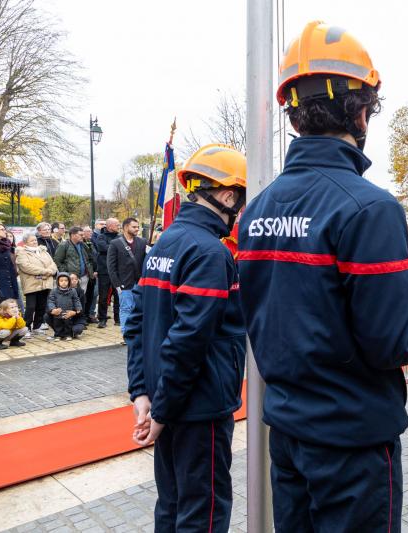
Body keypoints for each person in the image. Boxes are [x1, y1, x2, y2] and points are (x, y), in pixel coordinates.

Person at [238, 25, 408, 530]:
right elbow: (388, 341)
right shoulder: (369, 207)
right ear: (361, 112)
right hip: (351, 442)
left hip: (288, 433)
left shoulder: (256, 210)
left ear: (293, 113)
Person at [125, 143, 247, 532]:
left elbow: (137, 325)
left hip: (168, 399)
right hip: (199, 406)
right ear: (227, 195)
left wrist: (143, 393)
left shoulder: (166, 243)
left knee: (172, 505)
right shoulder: (210, 252)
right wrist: (161, 409)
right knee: (203, 514)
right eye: (240, 201)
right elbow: (189, 339)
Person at [107, 217, 147, 336]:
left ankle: (137, 331)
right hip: (124, 283)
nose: (137, 229)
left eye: (137, 227)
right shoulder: (115, 243)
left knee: (139, 309)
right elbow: (111, 266)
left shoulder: (142, 242)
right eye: (134, 227)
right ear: (125, 227)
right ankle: (126, 334)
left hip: (140, 283)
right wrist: (117, 284)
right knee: (126, 308)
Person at [15, 233, 57, 334]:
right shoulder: (22, 253)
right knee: (30, 307)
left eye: (35, 240)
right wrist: (45, 271)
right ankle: (26, 327)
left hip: (45, 282)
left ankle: (37, 326)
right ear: (25, 242)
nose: (35, 242)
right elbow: (26, 266)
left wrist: (50, 271)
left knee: (41, 306)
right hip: (32, 284)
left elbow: (53, 264)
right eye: (32, 240)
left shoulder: (43, 251)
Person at [53, 227, 95, 301]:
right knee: (70, 299)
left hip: (84, 277)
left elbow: (89, 259)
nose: (83, 236)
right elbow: (57, 261)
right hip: (72, 278)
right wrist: (67, 274)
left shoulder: (83, 245)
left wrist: (90, 271)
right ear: (73, 235)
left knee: (80, 298)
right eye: (80, 235)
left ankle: (79, 312)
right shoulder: (64, 245)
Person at [94, 218, 121, 328]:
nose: (118, 226)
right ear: (110, 226)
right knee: (103, 296)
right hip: (104, 271)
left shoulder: (119, 236)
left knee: (118, 296)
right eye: (117, 225)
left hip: (117, 270)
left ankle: (118, 319)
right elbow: (103, 248)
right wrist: (116, 248)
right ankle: (102, 319)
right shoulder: (101, 236)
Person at [45, 272, 82, 341]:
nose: (64, 282)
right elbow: (51, 301)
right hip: (58, 312)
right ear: (58, 282)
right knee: (58, 324)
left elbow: (76, 300)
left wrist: (78, 308)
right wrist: (53, 309)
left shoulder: (73, 291)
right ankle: (58, 335)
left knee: (68, 324)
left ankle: (68, 335)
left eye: (66, 280)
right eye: (61, 281)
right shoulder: (54, 291)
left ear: (69, 281)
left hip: (68, 311)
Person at [0, 223, 19, 302]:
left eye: (5, 229)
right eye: (2, 229)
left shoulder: (7, 245)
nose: (5, 232)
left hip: (10, 282)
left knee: (10, 307)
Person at [80, 226, 99, 321]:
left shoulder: (91, 242)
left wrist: (96, 270)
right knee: (85, 295)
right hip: (86, 273)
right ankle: (83, 316)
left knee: (93, 294)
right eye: (88, 231)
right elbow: (86, 259)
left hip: (93, 273)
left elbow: (95, 257)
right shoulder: (81, 245)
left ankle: (90, 314)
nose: (90, 233)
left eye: (91, 231)